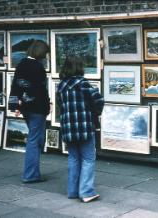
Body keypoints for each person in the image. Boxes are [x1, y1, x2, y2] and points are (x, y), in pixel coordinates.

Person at [57, 56, 104, 203]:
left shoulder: (61, 86)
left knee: (73, 158)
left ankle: (72, 191)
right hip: (85, 128)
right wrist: (95, 112)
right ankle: (86, 192)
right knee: (88, 159)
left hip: (68, 129)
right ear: (80, 67)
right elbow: (99, 100)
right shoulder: (83, 84)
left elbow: (61, 106)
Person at [9, 40, 50, 183]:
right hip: (37, 109)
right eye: (45, 53)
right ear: (40, 52)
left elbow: (15, 86)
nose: (46, 56)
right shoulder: (38, 67)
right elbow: (41, 91)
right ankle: (30, 175)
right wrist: (47, 108)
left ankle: (33, 173)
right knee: (34, 140)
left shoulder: (21, 64)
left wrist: (14, 106)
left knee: (36, 139)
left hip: (26, 108)